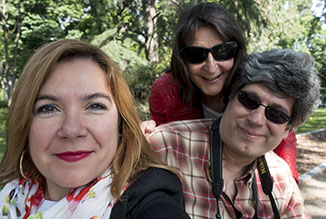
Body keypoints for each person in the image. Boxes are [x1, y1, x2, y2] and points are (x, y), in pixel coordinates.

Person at [0, 39, 190, 219]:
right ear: (25, 124)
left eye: (95, 106)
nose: (72, 130)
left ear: (121, 123)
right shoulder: (12, 196)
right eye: (48, 108)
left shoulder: (149, 200)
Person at [148, 49, 320, 218]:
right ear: (230, 97)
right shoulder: (164, 147)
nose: (256, 119)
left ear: (288, 130)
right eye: (249, 101)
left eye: (276, 114)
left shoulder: (282, 182)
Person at [148, 2, 299, 182]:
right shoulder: (165, 92)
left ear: (237, 52)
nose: (211, 67)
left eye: (223, 52)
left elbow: (283, 132)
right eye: (196, 55)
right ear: (182, 59)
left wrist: (289, 185)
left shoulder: (255, 81)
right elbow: (160, 156)